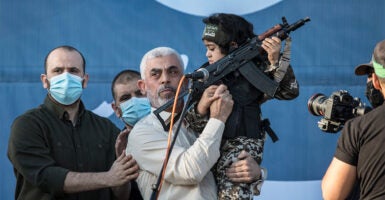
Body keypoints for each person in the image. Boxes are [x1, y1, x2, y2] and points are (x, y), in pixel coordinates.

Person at [186, 13, 299, 199]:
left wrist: (275, 61)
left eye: (212, 48)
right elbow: (191, 125)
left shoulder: (259, 64)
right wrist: (202, 106)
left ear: (232, 46)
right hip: (207, 151)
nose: (208, 53)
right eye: (207, 48)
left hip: (240, 151)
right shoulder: (206, 73)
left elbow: (289, 92)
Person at [126, 46, 263, 200]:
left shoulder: (204, 119)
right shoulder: (142, 133)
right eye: (155, 74)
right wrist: (218, 119)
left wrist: (257, 173)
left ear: (185, 82)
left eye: (173, 72)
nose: (165, 79)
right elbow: (190, 171)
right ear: (143, 87)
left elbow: (230, 163)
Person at [7, 45, 139, 200]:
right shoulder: (27, 125)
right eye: (58, 71)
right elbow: (47, 177)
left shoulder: (107, 129)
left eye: (73, 71)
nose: (66, 77)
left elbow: (121, 194)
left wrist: (121, 176)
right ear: (45, 80)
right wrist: (108, 177)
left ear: (85, 80)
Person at [322, 39, 385, 199]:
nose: (368, 81)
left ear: (377, 82)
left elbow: (332, 195)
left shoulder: (358, 128)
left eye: (370, 75)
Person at [111, 69, 152, 200]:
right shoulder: (114, 146)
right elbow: (120, 196)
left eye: (140, 94)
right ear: (117, 110)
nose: (134, 101)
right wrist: (121, 163)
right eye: (125, 98)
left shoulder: (173, 131)